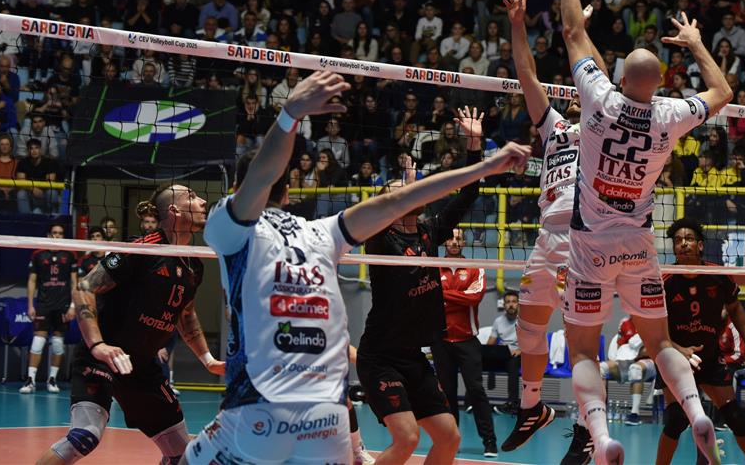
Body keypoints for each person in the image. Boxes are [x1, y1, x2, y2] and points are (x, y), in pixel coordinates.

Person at [185, 70, 530, 465]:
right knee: (406, 438)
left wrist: (290, 115)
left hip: (288, 403)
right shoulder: (341, 233)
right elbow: (391, 205)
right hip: (340, 394)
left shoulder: (268, 230)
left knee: (447, 437)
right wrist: (484, 166)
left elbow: (419, 200)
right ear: (287, 190)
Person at [558, 0, 734, 465]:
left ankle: (602, 436)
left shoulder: (599, 99)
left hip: (590, 245)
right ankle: (696, 412)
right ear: (658, 82)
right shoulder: (670, 115)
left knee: (583, 349)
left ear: (619, 76)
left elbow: (572, 31)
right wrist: (696, 43)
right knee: (659, 344)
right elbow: (723, 92)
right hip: (638, 244)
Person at [356, 107, 514, 465]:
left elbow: (469, 193)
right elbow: (381, 212)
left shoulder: (429, 232)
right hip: (380, 357)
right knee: (407, 438)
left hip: (413, 355)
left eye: (410, 190)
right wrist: (407, 188)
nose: (407, 194)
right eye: (399, 192)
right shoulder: (380, 239)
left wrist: (474, 146)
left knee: (449, 437)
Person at [35, 185, 225, 465]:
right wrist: (98, 346)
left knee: (181, 456)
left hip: (142, 367)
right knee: (84, 437)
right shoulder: (142, 248)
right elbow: (84, 286)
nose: (203, 201)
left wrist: (207, 360)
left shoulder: (194, 265)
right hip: (104, 358)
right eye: (192, 197)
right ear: (174, 210)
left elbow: (186, 314)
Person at [497, 0, 606, 461]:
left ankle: (587, 429)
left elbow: (599, 73)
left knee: (581, 340)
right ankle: (532, 409)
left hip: (584, 241)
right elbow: (526, 75)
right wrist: (517, 24)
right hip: (546, 237)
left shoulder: (606, 124)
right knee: (528, 328)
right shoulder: (556, 127)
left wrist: (577, 29)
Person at [656, 219, 745, 465]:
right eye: (678, 240)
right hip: (675, 358)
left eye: (688, 239)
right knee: (676, 419)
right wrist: (680, 350)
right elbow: (654, 329)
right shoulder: (664, 279)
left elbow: (735, 308)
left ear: (700, 245)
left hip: (709, 358)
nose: (683, 244)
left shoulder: (718, 275)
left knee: (735, 417)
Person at [435, 229, 499, 457]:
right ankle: (451, 442)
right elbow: (428, 298)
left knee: (476, 391)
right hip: (441, 341)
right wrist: (458, 296)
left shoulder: (474, 267)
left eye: (458, 239)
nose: (454, 242)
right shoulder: (433, 267)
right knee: (447, 394)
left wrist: (443, 294)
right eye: (451, 238)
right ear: (445, 241)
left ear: (463, 242)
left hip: (467, 340)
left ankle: (490, 442)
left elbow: (474, 298)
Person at [22, 222, 78, 394]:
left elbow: (74, 282)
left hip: (63, 305)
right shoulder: (38, 254)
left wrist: (73, 306)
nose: (57, 236)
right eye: (54, 232)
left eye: (60, 233)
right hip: (43, 304)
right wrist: (30, 305)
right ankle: (30, 379)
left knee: (58, 344)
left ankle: (52, 379)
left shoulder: (70, 254)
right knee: (38, 341)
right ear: (48, 235)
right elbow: (32, 281)